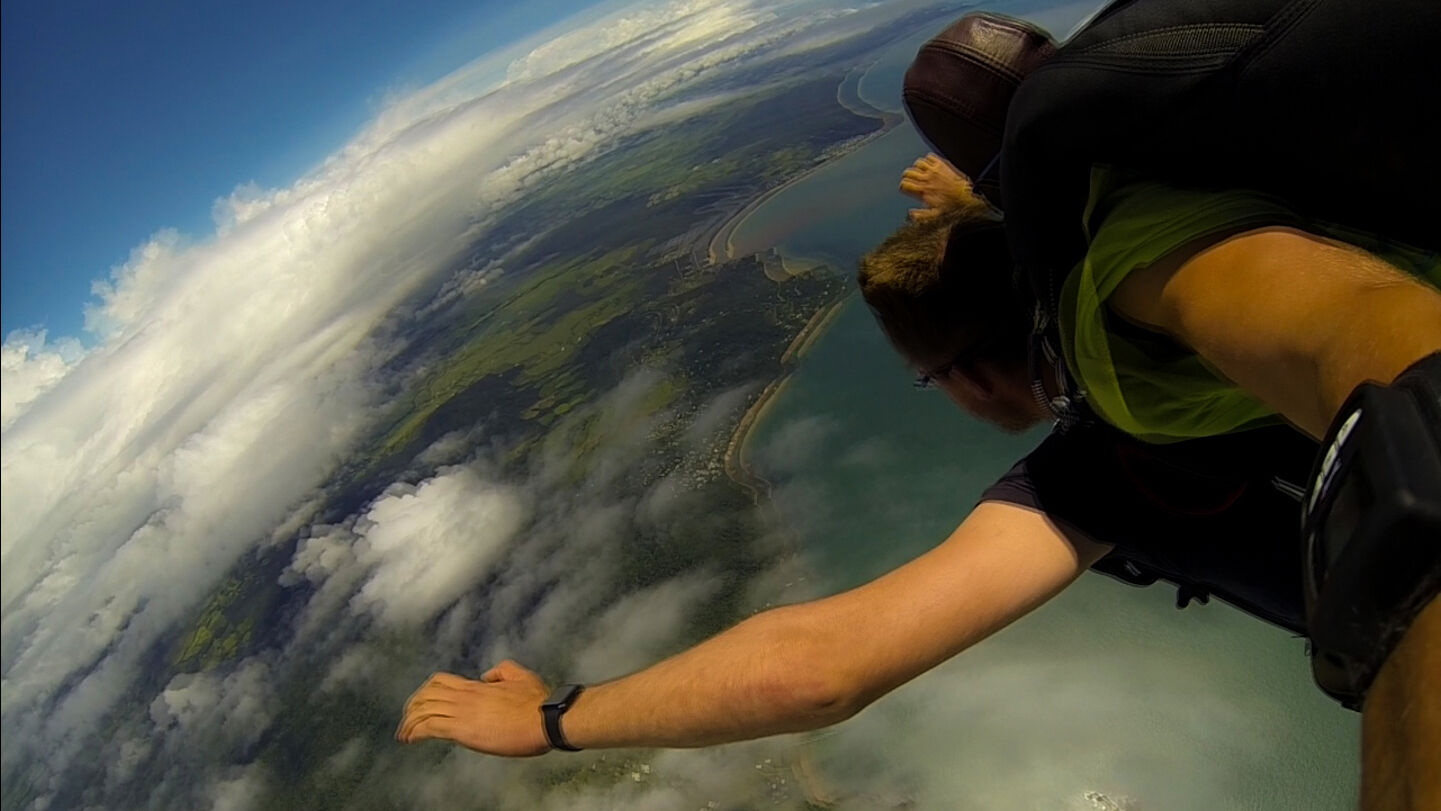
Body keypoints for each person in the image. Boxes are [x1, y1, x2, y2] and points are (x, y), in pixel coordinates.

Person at [392, 159, 1331, 768]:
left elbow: (807, 670)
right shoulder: (1221, 256)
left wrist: (549, 719)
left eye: (930, 380)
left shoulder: (1096, 474)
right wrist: (978, 207)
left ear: (963, 376)